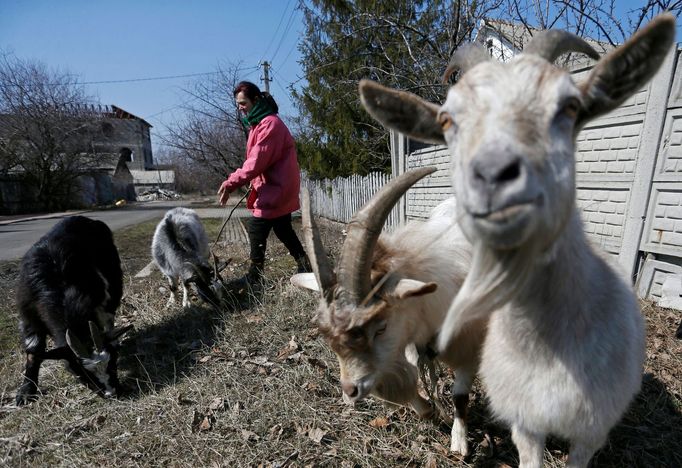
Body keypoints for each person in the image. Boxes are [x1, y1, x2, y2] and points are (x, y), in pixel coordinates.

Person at [217, 81, 310, 288]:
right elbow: (257, 162)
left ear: (255, 100)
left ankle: (254, 276)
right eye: (238, 103)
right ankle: (305, 265)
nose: (240, 107)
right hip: (274, 186)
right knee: (283, 229)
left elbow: (256, 162)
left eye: (243, 102)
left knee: (256, 227)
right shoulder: (257, 124)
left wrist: (232, 182)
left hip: (277, 187)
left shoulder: (269, 124)